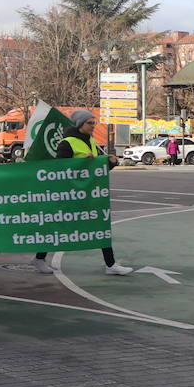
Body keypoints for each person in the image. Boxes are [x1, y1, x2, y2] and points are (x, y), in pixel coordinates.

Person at [34, 110, 133, 276]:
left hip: (88, 194)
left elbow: (95, 170)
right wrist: (79, 163)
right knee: (57, 227)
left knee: (100, 226)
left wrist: (110, 163)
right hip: (70, 195)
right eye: (90, 123)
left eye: (94, 123)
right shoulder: (67, 143)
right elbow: (60, 170)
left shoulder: (91, 142)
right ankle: (39, 258)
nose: (93, 126)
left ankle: (110, 264)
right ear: (80, 124)